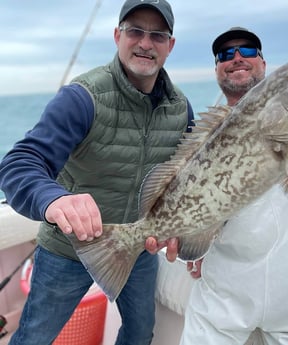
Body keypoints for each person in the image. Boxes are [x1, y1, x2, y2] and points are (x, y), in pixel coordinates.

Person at [0, 1, 194, 344]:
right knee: (34, 336)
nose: (146, 43)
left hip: (137, 249)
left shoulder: (180, 108)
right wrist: (55, 199)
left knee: (139, 332)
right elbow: (20, 163)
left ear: (171, 45)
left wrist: (184, 226)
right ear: (118, 35)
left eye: (157, 35)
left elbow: (190, 177)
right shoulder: (82, 97)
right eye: (135, 31)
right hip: (67, 249)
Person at [147, 27, 288, 345]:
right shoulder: (200, 138)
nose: (237, 58)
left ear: (263, 62)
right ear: (217, 69)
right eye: (226, 54)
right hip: (226, 294)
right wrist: (192, 237)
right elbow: (198, 205)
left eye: (248, 50)